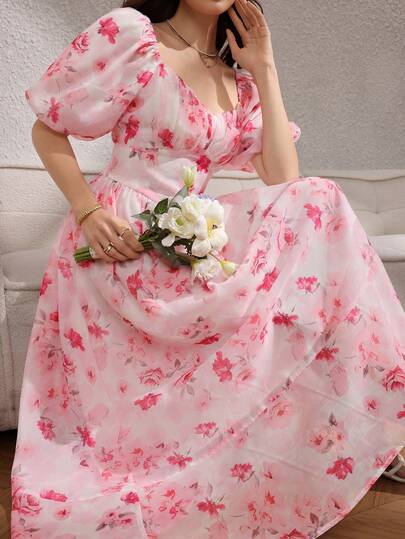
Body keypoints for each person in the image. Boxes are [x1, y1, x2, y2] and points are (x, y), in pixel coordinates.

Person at [11, 0, 405, 537]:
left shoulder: (236, 82)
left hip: (187, 241)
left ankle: (364, 413)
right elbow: (47, 129)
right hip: (118, 239)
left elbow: (284, 179)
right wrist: (88, 212)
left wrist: (265, 68)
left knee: (318, 198)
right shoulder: (132, 35)